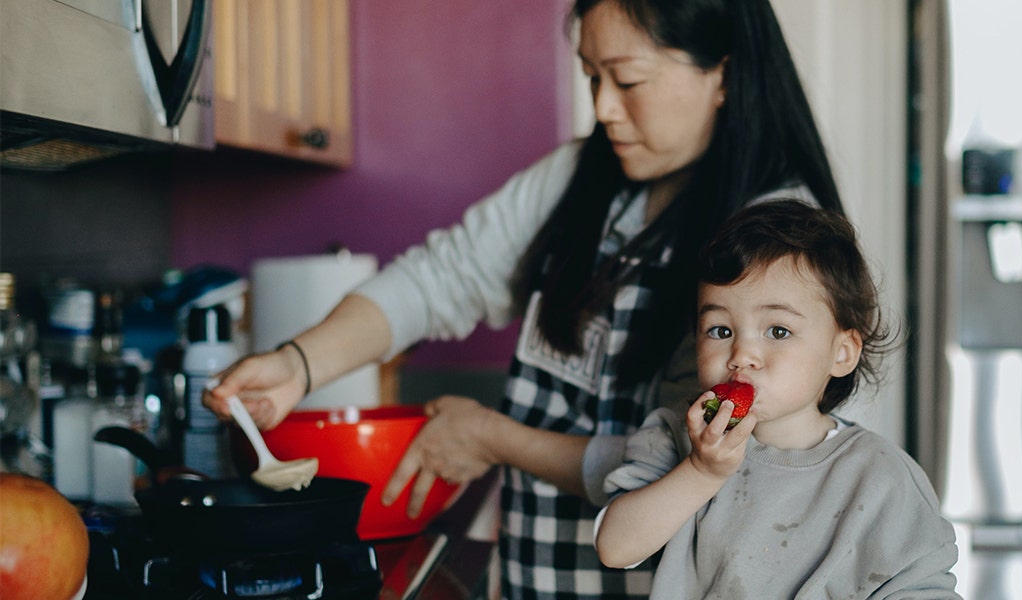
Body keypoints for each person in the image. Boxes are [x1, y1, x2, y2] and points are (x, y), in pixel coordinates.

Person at [203, 0, 845, 597]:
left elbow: (689, 452)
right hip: (536, 575)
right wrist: (297, 364)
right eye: (592, 77)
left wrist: (493, 438)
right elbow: (439, 279)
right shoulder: (582, 176)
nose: (605, 109)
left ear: (723, 74)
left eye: (628, 80)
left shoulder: (774, 240)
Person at [593, 200, 961, 599]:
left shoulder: (879, 477)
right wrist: (703, 471)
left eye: (778, 331)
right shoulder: (672, 437)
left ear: (842, 353)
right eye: (719, 330)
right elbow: (616, 547)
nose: (741, 355)